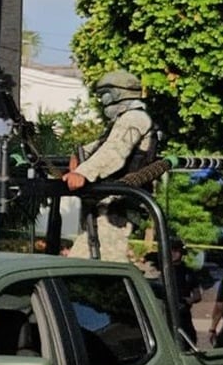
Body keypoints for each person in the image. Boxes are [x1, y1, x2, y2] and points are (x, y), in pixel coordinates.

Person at [62, 70, 157, 262]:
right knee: (88, 262)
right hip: (106, 205)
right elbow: (101, 146)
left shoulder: (134, 118)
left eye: (105, 95)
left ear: (119, 94)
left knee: (86, 264)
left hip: (117, 209)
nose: (103, 101)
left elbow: (114, 153)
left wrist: (83, 172)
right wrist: (79, 157)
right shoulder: (122, 121)